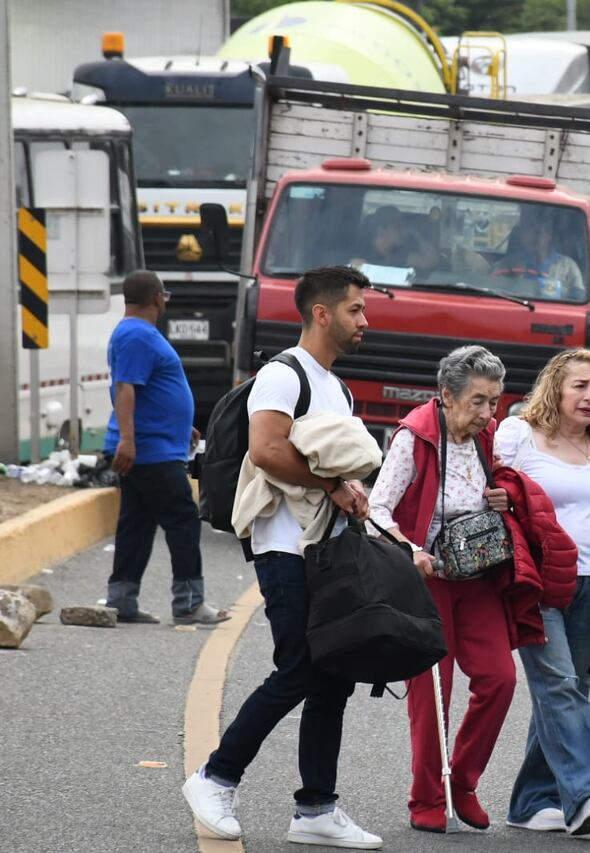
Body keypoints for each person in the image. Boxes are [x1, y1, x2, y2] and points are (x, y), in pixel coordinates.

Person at [182, 266, 383, 850]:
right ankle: (214, 778)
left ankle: (316, 808)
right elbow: (267, 451)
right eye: (355, 310)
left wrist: (350, 490)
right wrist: (333, 486)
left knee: (333, 676)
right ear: (322, 313)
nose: (364, 321)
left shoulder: (337, 387)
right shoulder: (283, 375)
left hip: (321, 547)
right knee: (297, 667)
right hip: (281, 545)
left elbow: (332, 464)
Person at [367, 345, 577, 833]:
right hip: (429, 579)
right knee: (431, 690)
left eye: (495, 401)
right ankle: (425, 797)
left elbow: (501, 481)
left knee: (499, 680)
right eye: (479, 401)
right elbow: (377, 510)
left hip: (479, 573)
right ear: (446, 396)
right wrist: (411, 549)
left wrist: (506, 495)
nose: (489, 414)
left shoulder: (484, 436)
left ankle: (461, 779)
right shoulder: (414, 438)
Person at [496, 348, 590, 837]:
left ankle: (532, 802)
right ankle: (589, 789)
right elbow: (489, 487)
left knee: (570, 689)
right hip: (534, 578)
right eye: (579, 385)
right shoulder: (519, 435)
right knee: (556, 684)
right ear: (556, 387)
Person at [103, 270, 228, 626]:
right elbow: (125, 388)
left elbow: (148, 389)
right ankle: (189, 602)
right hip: (149, 450)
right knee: (184, 520)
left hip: (153, 443)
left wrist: (179, 425)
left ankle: (122, 600)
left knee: (137, 522)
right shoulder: (136, 335)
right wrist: (128, 440)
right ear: (158, 297)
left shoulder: (136, 334)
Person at [495, 215, 586, 301]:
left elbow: (578, 300)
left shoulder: (568, 267)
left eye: (541, 231)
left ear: (549, 235)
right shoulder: (505, 266)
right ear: (522, 234)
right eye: (530, 229)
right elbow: (490, 294)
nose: (537, 237)